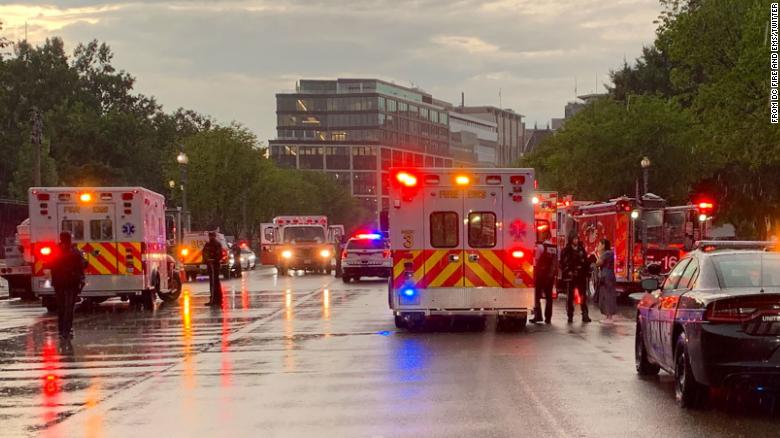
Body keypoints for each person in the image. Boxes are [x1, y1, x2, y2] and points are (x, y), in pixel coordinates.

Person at [49, 231, 85, 339]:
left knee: (61, 307)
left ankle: (61, 330)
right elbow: (82, 265)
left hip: (59, 283)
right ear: (70, 239)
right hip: (71, 283)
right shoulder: (75, 252)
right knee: (69, 308)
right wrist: (81, 280)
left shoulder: (55, 251)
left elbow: (50, 265)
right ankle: (67, 330)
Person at [560, 235, 591, 323]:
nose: (576, 240)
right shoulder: (567, 250)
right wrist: (567, 271)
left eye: (577, 238)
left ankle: (585, 314)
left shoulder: (581, 249)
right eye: (574, 239)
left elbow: (585, 261)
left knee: (583, 296)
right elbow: (563, 262)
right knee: (570, 297)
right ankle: (570, 315)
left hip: (581, 275)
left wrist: (587, 271)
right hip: (571, 276)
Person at [531, 229, 558, 324]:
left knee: (537, 296)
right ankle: (548, 318)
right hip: (550, 276)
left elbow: (536, 260)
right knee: (549, 297)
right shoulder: (555, 248)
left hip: (541, 275)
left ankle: (538, 316)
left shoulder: (540, 247)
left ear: (545, 236)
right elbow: (556, 261)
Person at [596, 238, 617, 323]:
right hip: (608, 276)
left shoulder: (606, 253)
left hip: (607, 277)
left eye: (600, 244)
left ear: (604, 245)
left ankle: (609, 317)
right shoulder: (609, 253)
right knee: (606, 296)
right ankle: (608, 316)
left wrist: (598, 254)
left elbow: (598, 263)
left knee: (608, 296)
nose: (598, 246)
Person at [203, 231, 224, 307]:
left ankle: (217, 299)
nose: (211, 237)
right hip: (210, 266)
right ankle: (213, 299)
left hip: (215, 265)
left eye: (212, 236)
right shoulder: (208, 244)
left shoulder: (217, 244)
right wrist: (207, 260)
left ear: (214, 236)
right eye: (210, 236)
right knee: (212, 283)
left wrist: (214, 259)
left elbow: (219, 255)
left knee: (215, 282)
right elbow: (204, 253)